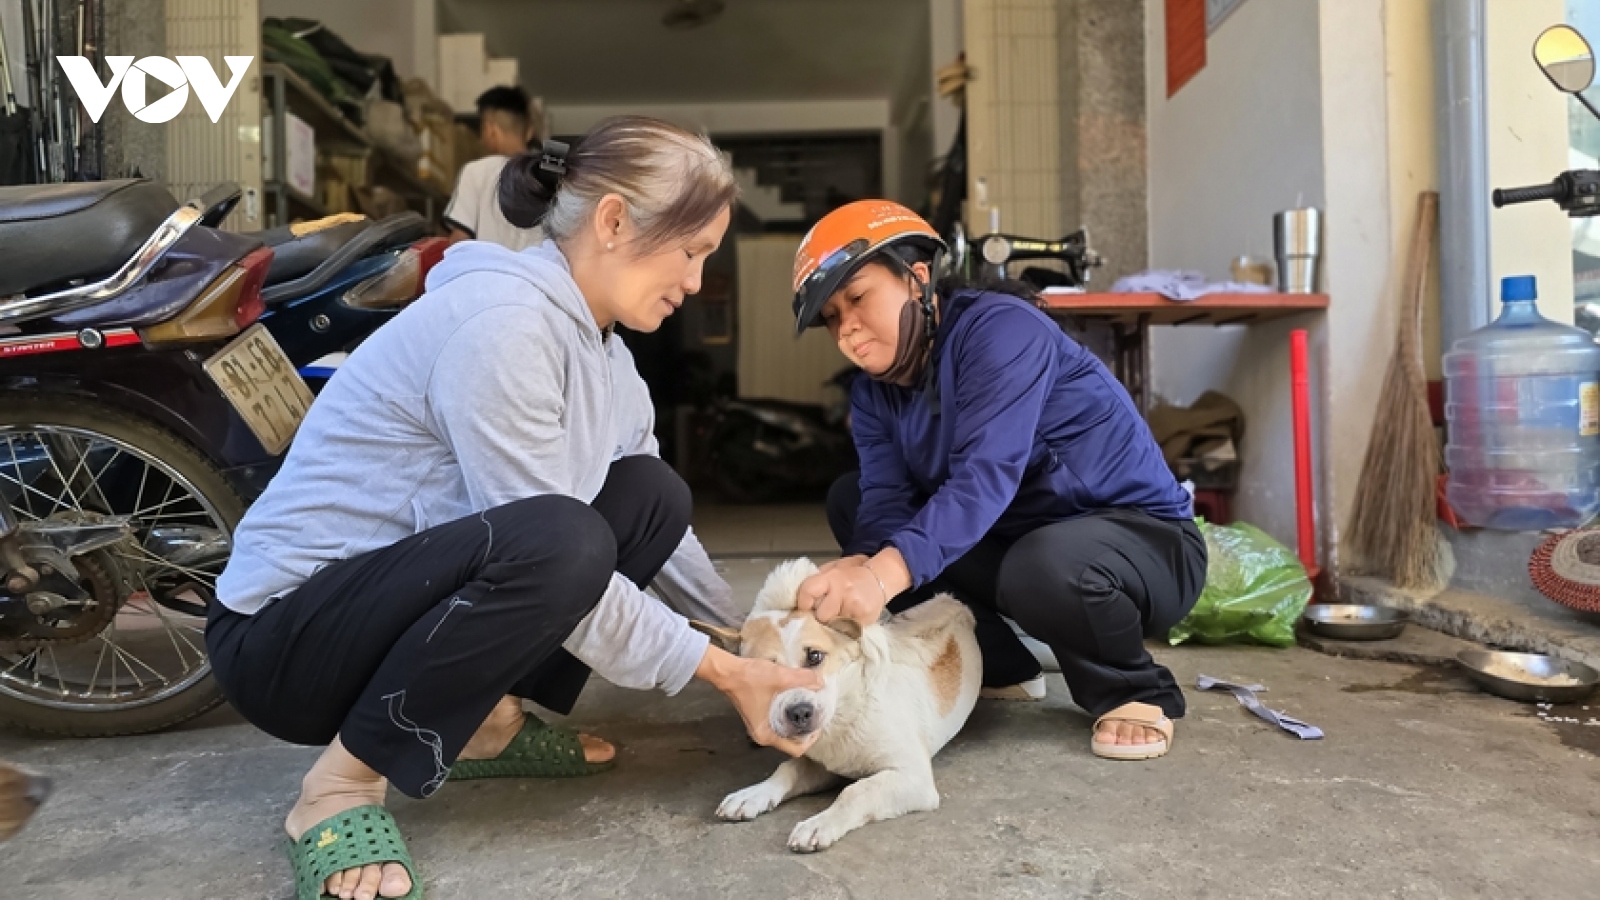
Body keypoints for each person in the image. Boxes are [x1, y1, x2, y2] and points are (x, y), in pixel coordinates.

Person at [209, 117, 822, 900]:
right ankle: (337, 788)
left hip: (391, 611)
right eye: (692, 251)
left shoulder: (603, 352)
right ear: (612, 222)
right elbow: (548, 552)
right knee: (561, 537)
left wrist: (746, 645)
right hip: (287, 640)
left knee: (648, 495)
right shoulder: (502, 329)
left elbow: (658, 538)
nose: (697, 282)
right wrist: (723, 672)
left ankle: (483, 724)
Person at [787, 200, 1207, 763]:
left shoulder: (1001, 331)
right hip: (1019, 545)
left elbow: (984, 477)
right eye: (832, 317)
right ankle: (1005, 665)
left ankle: (1134, 689)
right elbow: (886, 500)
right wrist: (858, 564)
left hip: (1143, 545)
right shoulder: (873, 394)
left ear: (916, 280)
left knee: (1040, 564)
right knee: (853, 500)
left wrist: (883, 577)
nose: (847, 328)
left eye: (858, 298)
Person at [443, 85, 543, 250]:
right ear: (530, 131)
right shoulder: (549, 172)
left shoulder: (476, 172)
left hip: (490, 274)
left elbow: (460, 240)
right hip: (537, 275)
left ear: (490, 129)